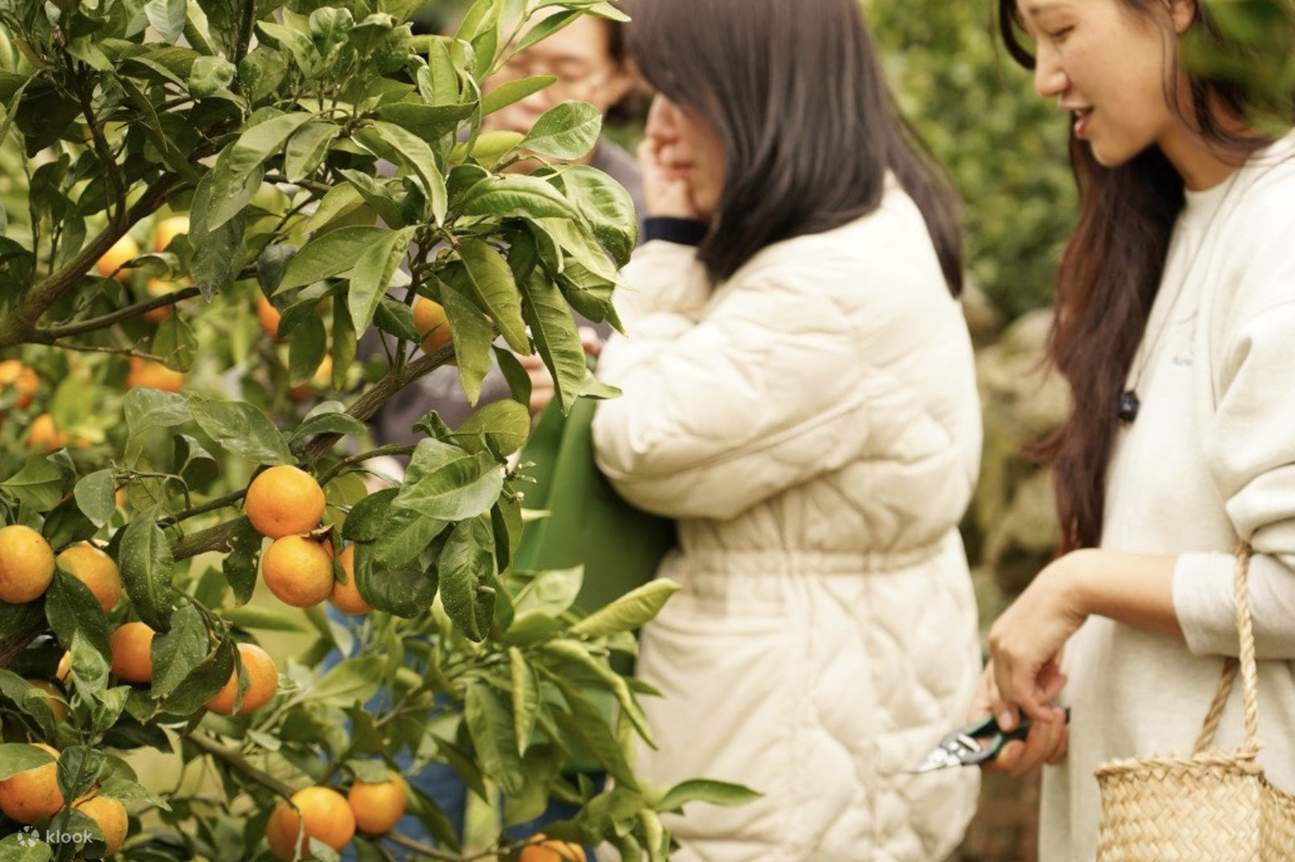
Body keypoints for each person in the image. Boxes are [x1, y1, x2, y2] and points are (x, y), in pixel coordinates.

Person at [558, 0, 984, 858]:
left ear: (757, 97)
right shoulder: (848, 231)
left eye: (682, 101)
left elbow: (643, 441)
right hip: (819, 707)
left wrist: (669, 244)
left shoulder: (826, 285)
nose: (659, 140)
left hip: (790, 741)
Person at [976, 2, 1295, 859]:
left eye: (1061, 30)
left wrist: (1075, 586)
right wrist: (1061, 683)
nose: (1044, 77)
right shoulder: (1168, 219)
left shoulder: (1280, 231)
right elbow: (1175, 542)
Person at [371, 9, 643, 441]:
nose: (533, 96)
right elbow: (323, 372)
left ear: (618, 77)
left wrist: (589, 387)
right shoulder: (404, 180)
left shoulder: (633, 217)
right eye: (516, 65)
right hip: (386, 483)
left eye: (567, 74)